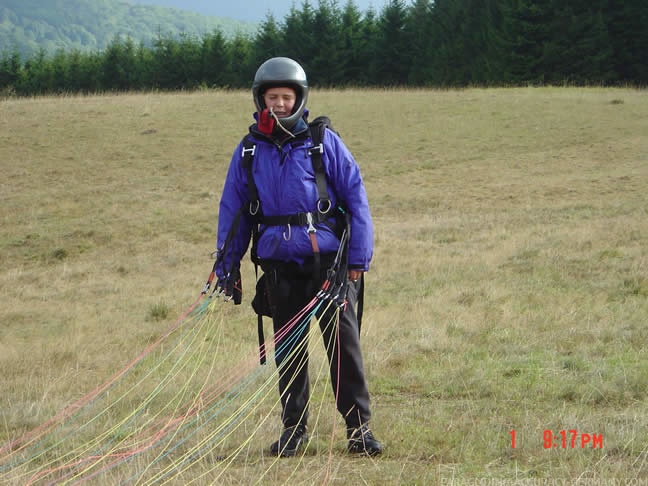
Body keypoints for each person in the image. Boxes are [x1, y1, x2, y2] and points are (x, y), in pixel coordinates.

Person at [214, 57, 382, 457]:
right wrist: (227, 266)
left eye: (286, 97)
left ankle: (358, 430)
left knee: (343, 347)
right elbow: (233, 210)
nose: (279, 105)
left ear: (299, 98)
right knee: (288, 351)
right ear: (261, 99)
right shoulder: (250, 150)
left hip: (328, 265)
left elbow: (356, 198)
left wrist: (358, 259)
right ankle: (294, 430)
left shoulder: (324, 142)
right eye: (272, 97)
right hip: (278, 267)